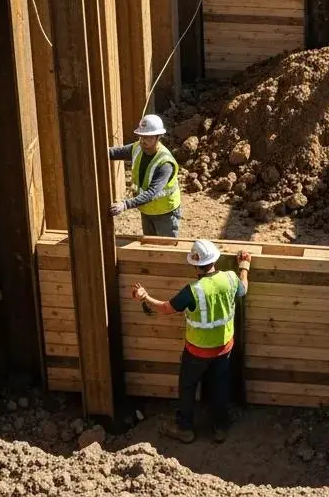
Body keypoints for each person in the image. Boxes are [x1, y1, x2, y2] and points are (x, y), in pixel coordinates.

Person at [130, 240, 251, 443]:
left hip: (197, 353)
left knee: (187, 387)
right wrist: (244, 267)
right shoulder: (230, 278)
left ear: (195, 265)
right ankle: (220, 427)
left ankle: (185, 428)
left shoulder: (192, 291)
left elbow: (166, 308)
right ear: (215, 259)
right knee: (219, 387)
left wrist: (145, 297)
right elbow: (243, 289)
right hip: (224, 350)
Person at [108, 114, 182, 237]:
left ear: (158, 137)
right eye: (141, 136)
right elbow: (114, 153)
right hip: (146, 209)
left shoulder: (165, 163)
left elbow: (151, 192)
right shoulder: (138, 147)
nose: (143, 140)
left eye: (148, 137)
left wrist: (125, 205)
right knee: (150, 246)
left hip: (165, 212)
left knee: (167, 248)